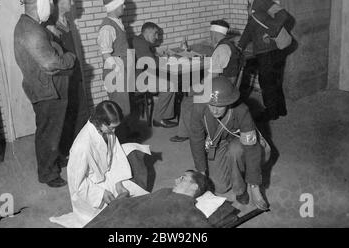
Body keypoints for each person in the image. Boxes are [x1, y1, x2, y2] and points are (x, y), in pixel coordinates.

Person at [49, 100, 149, 228]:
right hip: (90, 186)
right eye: (111, 127)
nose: (114, 131)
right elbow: (77, 183)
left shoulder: (106, 130)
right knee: (110, 220)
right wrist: (100, 194)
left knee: (133, 151)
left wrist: (118, 182)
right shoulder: (82, 145)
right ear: (100, 122)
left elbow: (116, 155)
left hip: (106, 173)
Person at [14, 0, 76, 187]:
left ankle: (53, 160)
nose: (50, 10)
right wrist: (69, 57)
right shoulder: (31, 30)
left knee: (52, 129)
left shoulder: (31, 25)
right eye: (48, 6)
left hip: (46, 87)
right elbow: (51, 63)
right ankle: (48, 173)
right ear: (39, 6)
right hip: (46, 90)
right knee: (49, 131)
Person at [189, 76, 268, 210]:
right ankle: (234, 167)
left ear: (230, 102)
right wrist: (201, 171)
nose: (214, 110)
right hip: (218, 142)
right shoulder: (198, 108)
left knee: (235, 151)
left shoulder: (242, 111)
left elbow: (251, 149)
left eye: (220, 106)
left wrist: (254, 186)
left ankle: (240, 189)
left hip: (239, 142)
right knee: (219, 187)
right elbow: (196, 140)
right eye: (211, 104)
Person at [234, 0, 290, 121]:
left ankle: (271, 113)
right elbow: (250, 27)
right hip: (268, 50)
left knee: (267, 82)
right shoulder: (252, 2)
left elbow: (283, 14)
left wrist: (271, 33)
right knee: (274, 81)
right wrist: (240, 45)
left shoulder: (261, 0)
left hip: (268, 50)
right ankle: (281, 109)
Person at [45, 0, 90, 165]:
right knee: (64, 117)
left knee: (81, 113)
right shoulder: (49, 25)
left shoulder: (67, 21)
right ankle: (63, 154)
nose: (73, 2)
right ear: (60, 0)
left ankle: (79, 149)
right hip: (62, 79)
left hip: (75, 75)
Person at [85, 170, 212, 228]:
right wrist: (122, 196)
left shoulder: (187, 208)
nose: (176, 180)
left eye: (183, 178)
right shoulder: (164, 191)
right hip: (117, 218)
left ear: (195, 186)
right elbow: (135, 202)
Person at [97, 0, 137, 142]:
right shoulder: (107, 27)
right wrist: (118, 70)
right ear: (114, 6)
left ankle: (125, 136)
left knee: (124, 107)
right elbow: (105, 53)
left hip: (122, 71)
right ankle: (120, 142)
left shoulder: (117, 21)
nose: (124, 7)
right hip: (115, 73)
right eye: (122, 5)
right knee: (119, 110)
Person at [132, 22, 177, 128]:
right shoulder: (140, 43)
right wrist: (167, 61)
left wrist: (159, 58)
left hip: (142, 75)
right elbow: (152, 62)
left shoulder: (140, 41)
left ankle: (163, 115)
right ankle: (159, 119)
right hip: (138, 80)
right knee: (170, 85)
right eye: (155, 34)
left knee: (170, 80)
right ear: (147, 32)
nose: (157, 37)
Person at [209, 19, 242, 84]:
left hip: (223, 87)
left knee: (190, 88)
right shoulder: (228, 44)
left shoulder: (221, 49)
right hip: (230, 84)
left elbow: (214, 76)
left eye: (211, 33)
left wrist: (203, 82)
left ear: (214, 34)